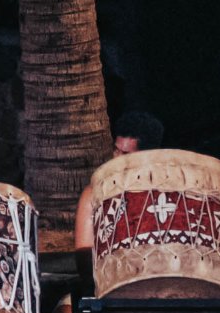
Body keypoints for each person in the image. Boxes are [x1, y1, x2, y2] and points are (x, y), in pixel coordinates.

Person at [69, 110, 170, 264]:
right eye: (116, 150)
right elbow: (84, 257)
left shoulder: (169, 190)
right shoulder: (95, 194)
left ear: (147, 157)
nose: (117, 159)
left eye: (126, 154)